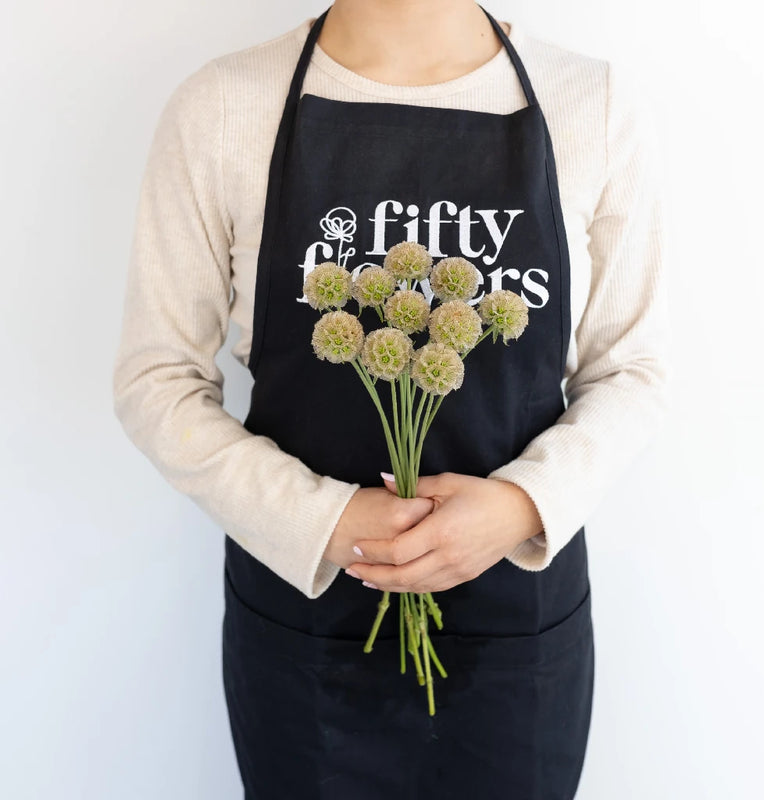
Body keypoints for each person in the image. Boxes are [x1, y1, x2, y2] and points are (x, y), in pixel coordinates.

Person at [112, 1, 670, 797]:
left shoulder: (593, 104)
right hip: (304, 633)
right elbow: (154, 379)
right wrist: (324, 520)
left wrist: (519, 505)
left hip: (518, 634)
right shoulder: (224, 107)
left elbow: (633, 371)